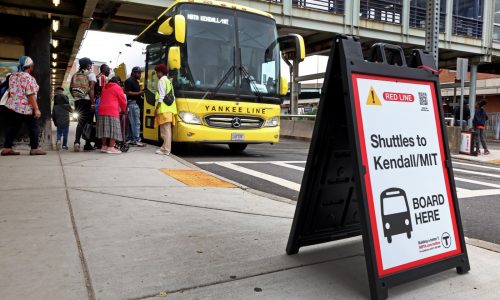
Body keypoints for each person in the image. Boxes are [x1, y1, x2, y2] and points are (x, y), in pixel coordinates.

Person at [1, 56, 46, 156]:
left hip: (12, 107)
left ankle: (7, 148)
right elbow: (30, 94)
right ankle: (34, 149)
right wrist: (36, 109)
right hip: (26, 108)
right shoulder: (28, 78)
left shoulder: (12, 76)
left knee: (12, 127)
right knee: (34, 127)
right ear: (29, 67)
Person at [71, 57, 96, 152]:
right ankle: (87, 144)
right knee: (88, 122)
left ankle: (77, 142)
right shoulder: (90, 74)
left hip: (77, 101)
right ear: (88, 65)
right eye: (90, 64)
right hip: (87, 101)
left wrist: (77, 97)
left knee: (80, 122)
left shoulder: (75, 75)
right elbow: (91, 89)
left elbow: (71, 89)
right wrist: (93, 103)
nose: (91, 66)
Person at [96, 76, 127, 154]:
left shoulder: (104, 87)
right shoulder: (117, 87)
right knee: (114, 130)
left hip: (102, 110)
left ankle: (104, 146)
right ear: (118, 82)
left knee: (104, 129)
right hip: (112, 110)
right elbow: (123, 101)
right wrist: (124, 110)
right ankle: (111, 147)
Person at [154, 64, 177, 155]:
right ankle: (165, 148)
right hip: (170, 109)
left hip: (163, 109)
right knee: (167, 130)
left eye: (157, 72)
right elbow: (173, 96)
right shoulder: (168, 81)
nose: (156, 74)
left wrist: (157, 108)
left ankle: (165, 149)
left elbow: (161, 96)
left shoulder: (161, 81)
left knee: (165, 131)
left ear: (161, 72)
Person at [124, 66, 145, 147]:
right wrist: (139, 93)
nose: (140, 75)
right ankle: (136, 140)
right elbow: (127, 92)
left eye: (140, 73)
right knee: (136, 122)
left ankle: (130, 139)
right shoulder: (129, 81)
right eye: (138, 73)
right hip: (132, 103)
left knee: (130, 122)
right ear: (133, 73)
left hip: (134, 103)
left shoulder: (136, 81)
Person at [94, 64, 110, 149]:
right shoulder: (103, 77)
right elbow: (103, 90)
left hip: (97, 100)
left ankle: (98, 143)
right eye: (108, 69)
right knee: (102, 123)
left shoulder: (97, 76)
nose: (109, 71)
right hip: (101, 100)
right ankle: (100, 144)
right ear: (103, 70)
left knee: (99, 123)